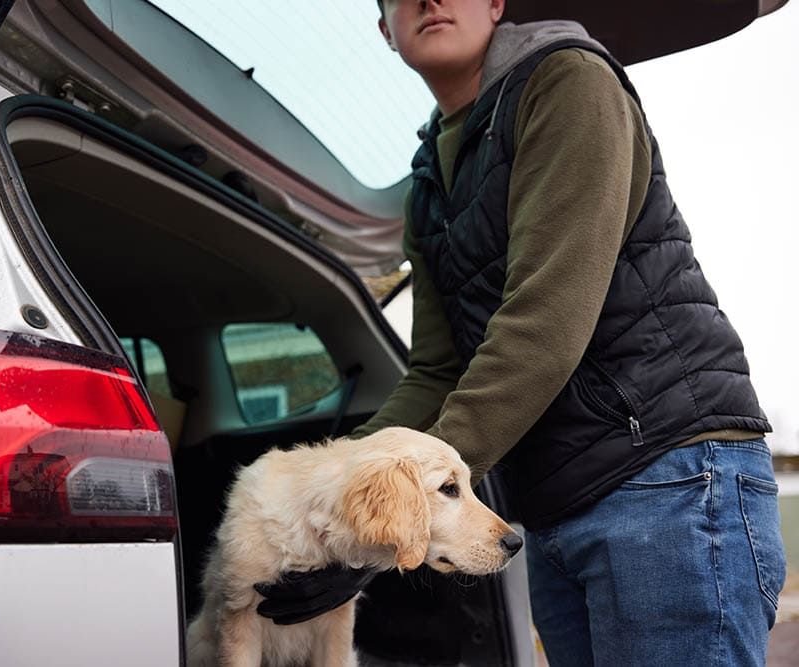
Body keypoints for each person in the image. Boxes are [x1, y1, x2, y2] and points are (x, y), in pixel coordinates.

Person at [255, 1, 788, 664]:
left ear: (496, 3)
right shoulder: (427, 186)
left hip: (667, 476)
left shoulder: (566, 81)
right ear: (385, 30)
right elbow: (436, 373)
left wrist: (402, 499)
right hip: (554, 502)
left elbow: (545, 323)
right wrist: (335, 491)